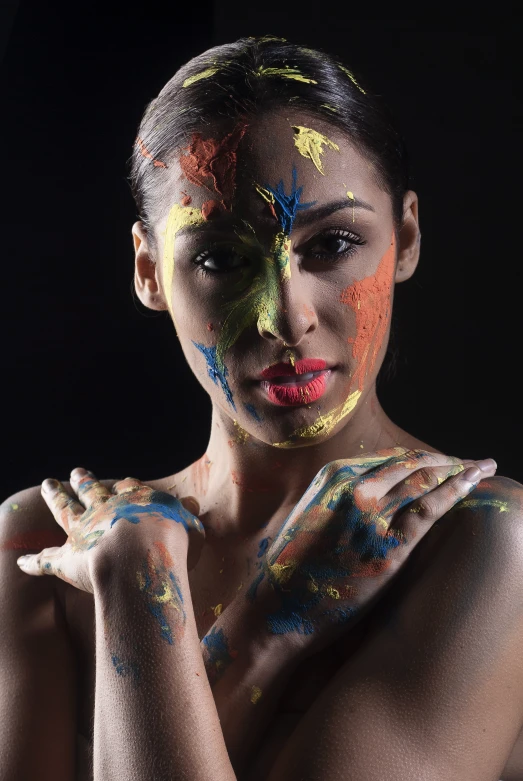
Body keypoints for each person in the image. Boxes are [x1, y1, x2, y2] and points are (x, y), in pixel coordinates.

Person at [1, 36, 522, 781]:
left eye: (333, 243)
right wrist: (166, 575)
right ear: (150, 270)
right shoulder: (42, 545)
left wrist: (144, 589)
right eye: (219, 258)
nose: (283, 316)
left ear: (404, 237)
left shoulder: (479, 545)